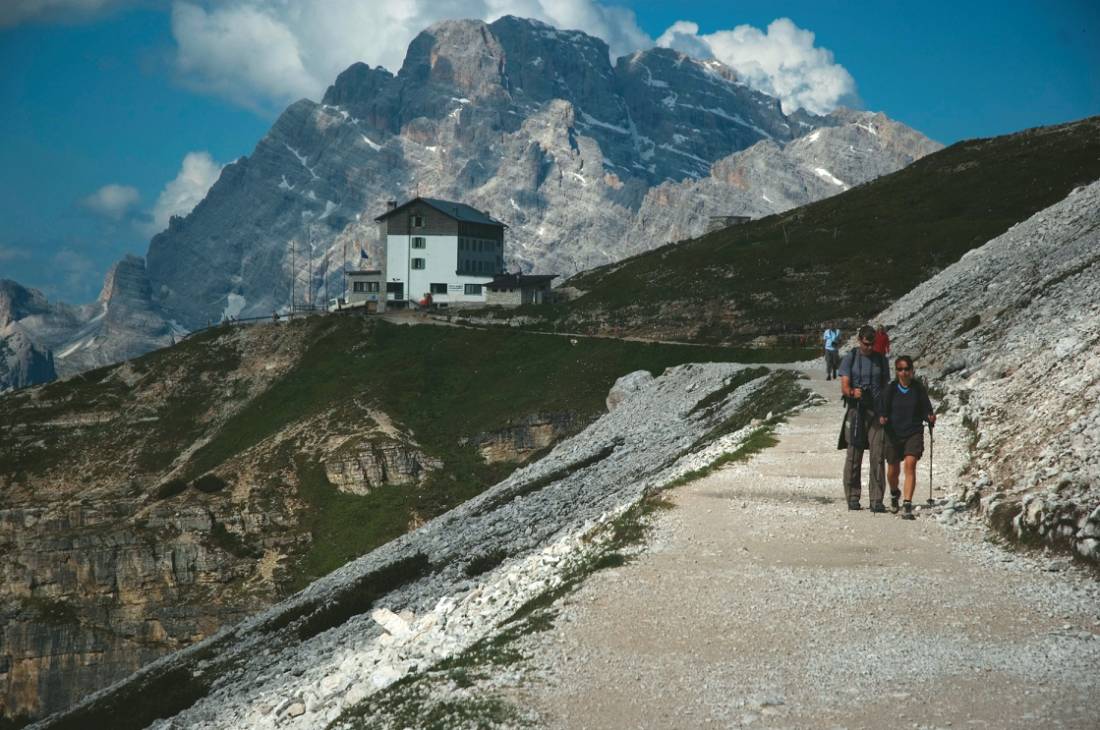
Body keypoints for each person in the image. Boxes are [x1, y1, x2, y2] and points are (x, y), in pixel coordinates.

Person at [879, 355, 936, 519]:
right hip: (893, 433)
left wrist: (930, 417)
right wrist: (882, 417)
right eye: (900, 369)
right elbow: (883, 409)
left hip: (913, 431)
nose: (903, 372)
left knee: (910, 465)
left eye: (906, 369)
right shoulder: (891, 389)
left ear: (912, 371)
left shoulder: (918, 389)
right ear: (896, 371)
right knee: (892, 471)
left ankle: (907, 504)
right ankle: (894, 492)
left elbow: (926, 409)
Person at [838, 325, 889, 511]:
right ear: (860, 341)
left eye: (872, 344)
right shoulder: (850, 358)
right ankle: (852, 496)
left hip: (876, 412)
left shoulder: (881, 360)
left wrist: (886, 411)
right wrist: (852, 392)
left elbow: (886, 386)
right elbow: (844, 386)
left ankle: (876, 499)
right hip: (856, 409)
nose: (869, 347)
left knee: (877, 455)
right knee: (854, 454)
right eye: (866, 344)